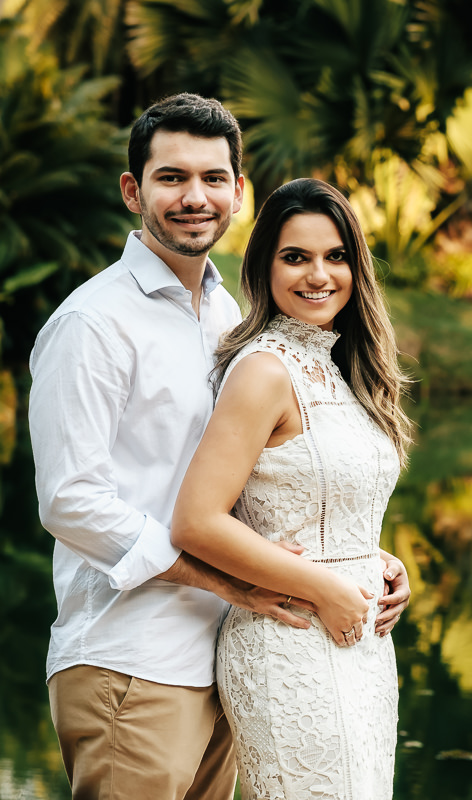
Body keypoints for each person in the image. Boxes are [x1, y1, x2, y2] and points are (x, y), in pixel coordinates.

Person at [28, 95, 410, 800]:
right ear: (132, 190)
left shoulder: (227, 317)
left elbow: (261, 479)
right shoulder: (91, 322)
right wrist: (222, 580)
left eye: (213, 178)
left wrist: (358, 558)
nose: (194, 197)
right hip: (132, 658)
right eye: (171, 177)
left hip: (233, 654)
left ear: (240, 191)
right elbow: (69, 500)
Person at [170, 178, 413, 799]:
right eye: (295, 257)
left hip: (361, 647)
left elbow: (327, 500)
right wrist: (326, 586)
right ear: (263, 267)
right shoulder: (262, 370)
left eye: (335, 256)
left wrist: (379, 563)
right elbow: (197, 520)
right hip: (293, 640)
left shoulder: (342, 366)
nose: (319, 275)